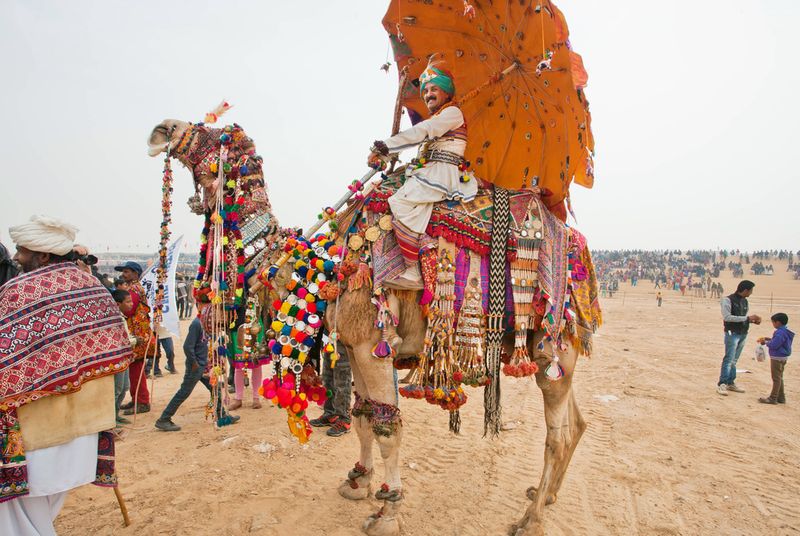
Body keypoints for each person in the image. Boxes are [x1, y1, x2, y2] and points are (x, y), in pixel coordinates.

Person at [0, 215, 131, 533]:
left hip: (36, 433)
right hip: (84, 430)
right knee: (42, 508)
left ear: (42, 255)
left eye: (21, 250)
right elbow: (120, 347)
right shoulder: (93, 285)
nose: (16, 257)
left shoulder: (19, 292)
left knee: (19, 515)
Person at [367, 59, 477, 288]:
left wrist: (385, 146)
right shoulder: (440, 117)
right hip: (429, 171)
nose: (428, 94)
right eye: (425, 91)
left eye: (433, 89)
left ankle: (413, 270)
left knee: (399, 202)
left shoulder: (453, 113)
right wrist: (387, 155)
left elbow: (423, 132)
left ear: (446, 92)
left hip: (441, 173)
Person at [154, 308, 240, 431]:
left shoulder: (210, 325)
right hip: (196, 365)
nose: (221, 316)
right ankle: (164, 419)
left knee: (215, 388)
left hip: (205, 364)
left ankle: (221, 415)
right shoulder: (197, 324)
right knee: (184, 392)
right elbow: (187, 346)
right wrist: (194, 363)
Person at [115, 260, 154, 415]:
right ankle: (137, 398)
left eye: (126, 272)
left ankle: (142, 401)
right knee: (135, 369)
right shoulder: (133, 287)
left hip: (137, 334)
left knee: (136, 369)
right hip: (136, 332)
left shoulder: (134, 289)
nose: (123, 274)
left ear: (135, 273)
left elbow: (128, 311)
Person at [717, 280, 761, 396]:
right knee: (729, 359)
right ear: (745, 290)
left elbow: (742, 318)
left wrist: (752, 321)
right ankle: (722, 383)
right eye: (751, 290)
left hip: (743, 333)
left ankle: (730, 382)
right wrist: (747, 319)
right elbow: (727, 317)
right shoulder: (727, 300)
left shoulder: (745, 302)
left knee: (734, 360)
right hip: (732, 333)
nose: (751, 293)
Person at [310, 344, 352, 437]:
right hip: (329, 338)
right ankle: (330, 414)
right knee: (327, 378)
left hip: (342, 339)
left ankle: (344, 419)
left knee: (341, 379)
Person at [111, 290, 136, 425]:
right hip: (118, 357)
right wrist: (135, 340)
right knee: (117, 389)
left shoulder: (122, 317)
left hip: (124, 356)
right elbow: (123, 339)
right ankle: (112, 419)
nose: (131, 304)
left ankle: (116, 415)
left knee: (125, 386)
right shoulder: (116, 319)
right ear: (118, 304)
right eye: (128, 302)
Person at [758, 313, 793, 404]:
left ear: (778, 322)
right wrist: (768, 339)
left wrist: (765, 342)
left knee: (776, 378)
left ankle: (773, 398)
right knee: (779, 377)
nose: (773, 324)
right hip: (783, 357)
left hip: (777, 357)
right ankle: (781, 397)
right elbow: (779, 341)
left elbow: (775, 345)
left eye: (773, 322)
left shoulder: (780, 332)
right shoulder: (785, 331)